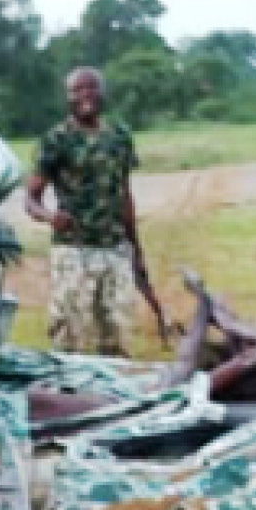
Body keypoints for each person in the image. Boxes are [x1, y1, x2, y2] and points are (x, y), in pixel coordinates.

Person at [24, 67, 167, 358]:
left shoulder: (119, 136)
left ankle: (112, 397)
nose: (86, 95)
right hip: (74, 252)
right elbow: (30, 199)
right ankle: (68, 397)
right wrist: (50, 216)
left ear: (102, 93)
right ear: (68, 96)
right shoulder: (57, 140)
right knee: (71, 338)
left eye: (92, 88)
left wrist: (135, 249)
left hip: (114, 250)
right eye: (78, 89)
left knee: (118, 336)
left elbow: (125, 194)